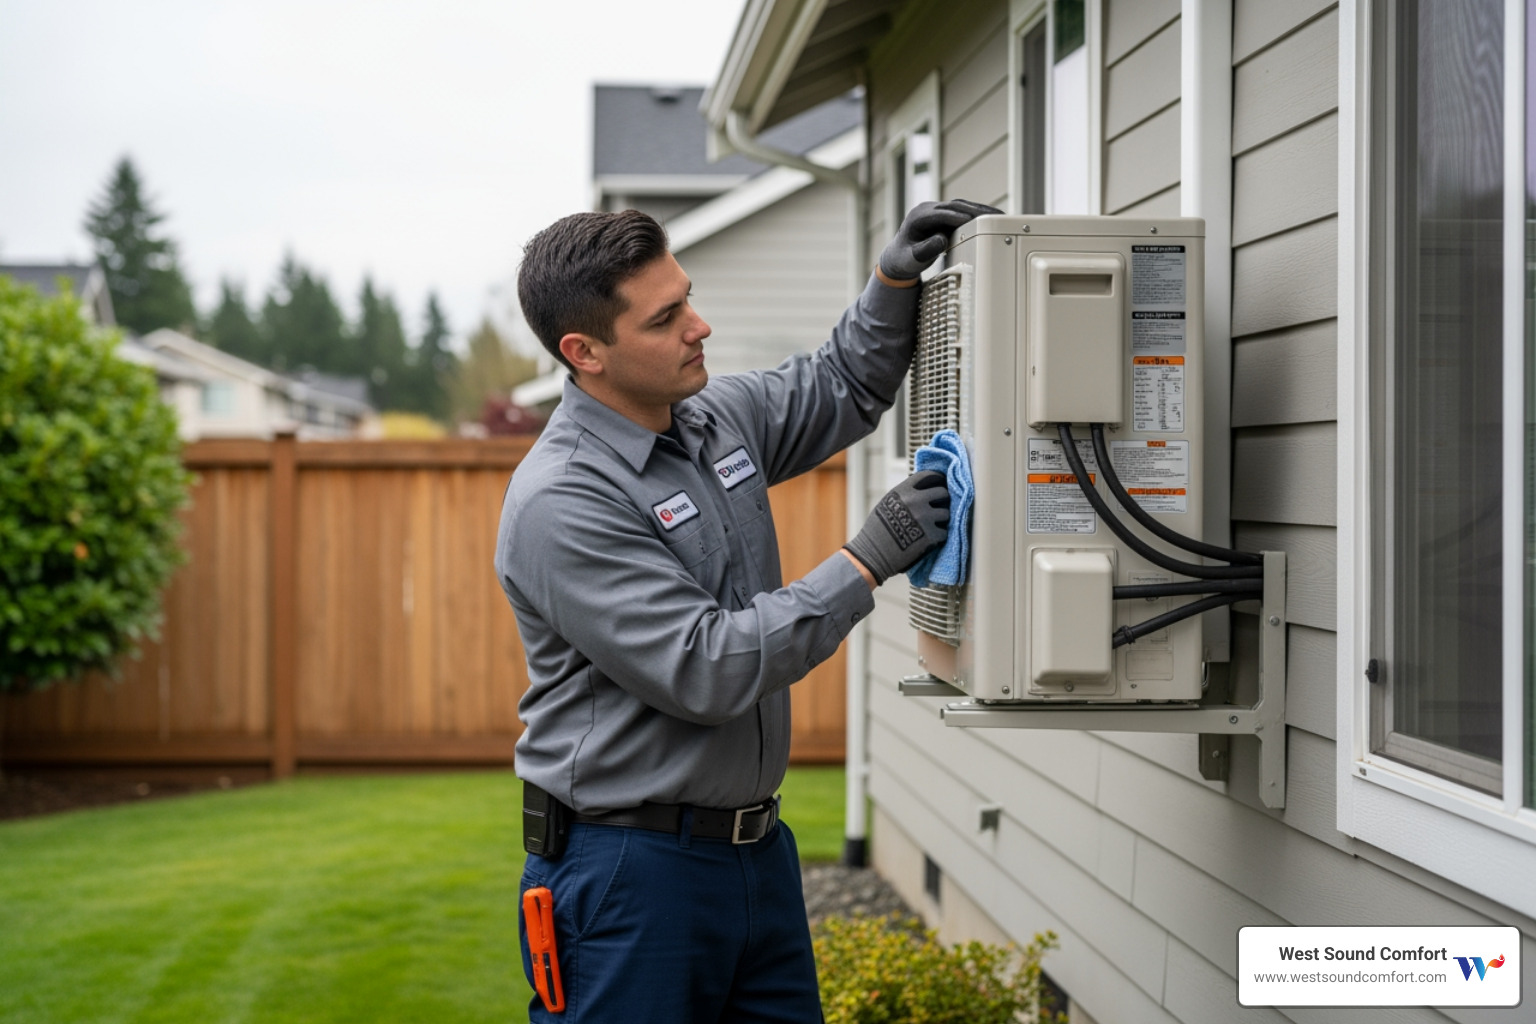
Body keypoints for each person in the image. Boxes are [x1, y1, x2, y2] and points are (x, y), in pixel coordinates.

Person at [496, 198, 997, 1023]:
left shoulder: (711, 419)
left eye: (687, 297)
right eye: (666, 318)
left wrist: (892, 280)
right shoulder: (563, 500)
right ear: (584, 352)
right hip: (629, 874)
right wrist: (868, 558)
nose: (701, 326)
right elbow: (707, 668)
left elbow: (841, 383)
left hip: (756, 855)